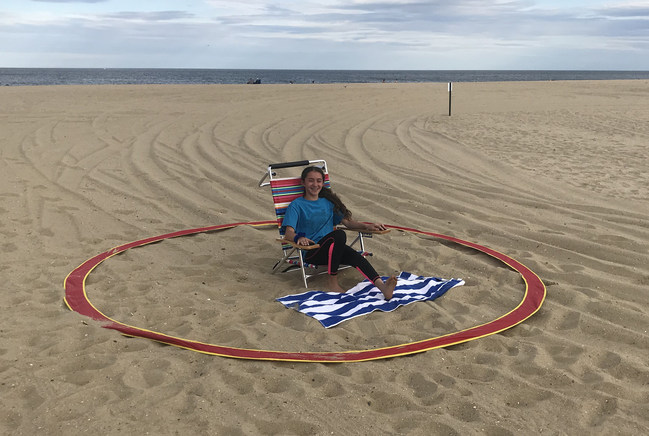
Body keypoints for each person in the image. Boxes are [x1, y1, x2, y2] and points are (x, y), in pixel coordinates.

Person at [282, 166, 397, 299]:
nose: (315, 184)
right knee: (339, 235)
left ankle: (383, 288)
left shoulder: (328, 203)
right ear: (303, 182)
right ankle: (332, 282)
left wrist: (368, 226)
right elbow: (288, 233)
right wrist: (298, 238)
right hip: (312, 251)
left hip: (333, 250)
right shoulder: (296, 205)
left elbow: (348, 223)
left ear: (323, 183)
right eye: (311, 180)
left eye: (319, 181)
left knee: (354, 255)